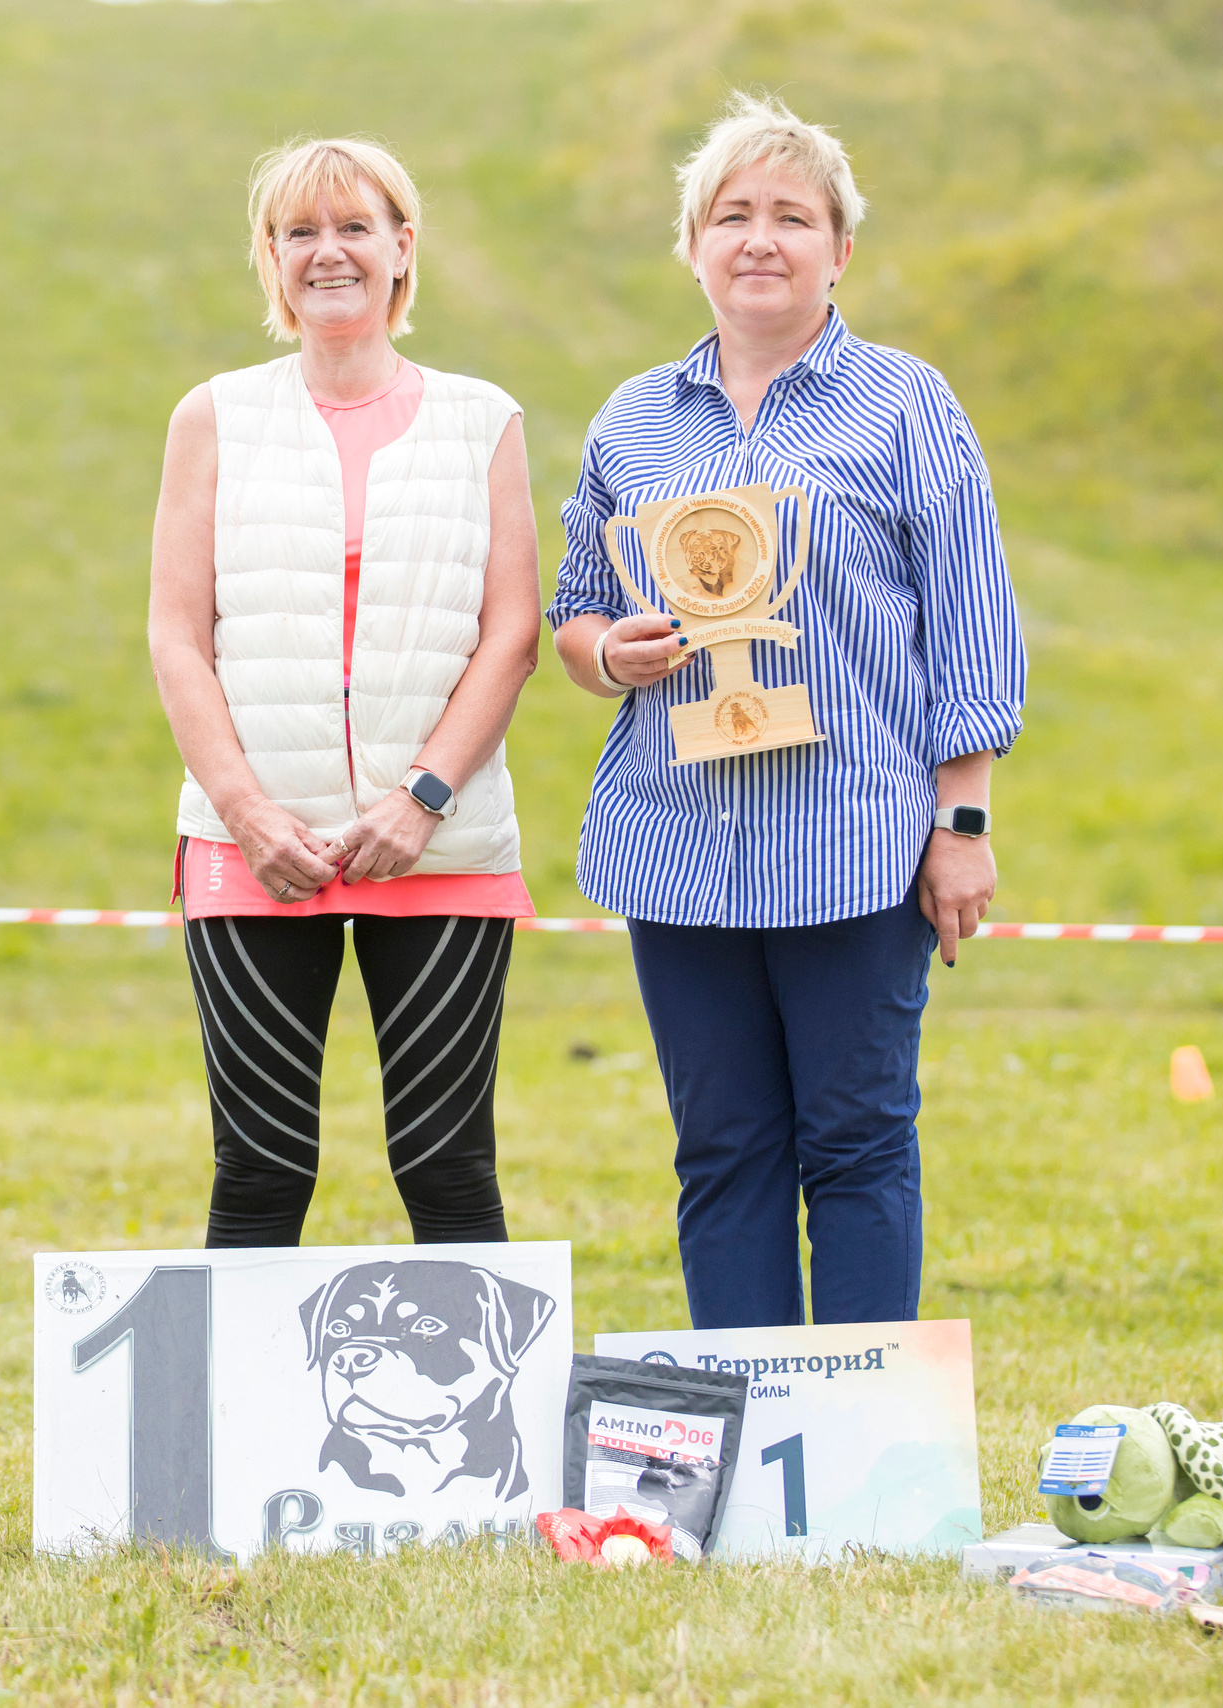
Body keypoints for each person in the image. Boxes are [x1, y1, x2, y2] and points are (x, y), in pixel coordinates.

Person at [545, 94, 1026, 1328]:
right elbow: (575, 616)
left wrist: (959, 823)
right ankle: (750, 1454)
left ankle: (865, 1451)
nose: (761, 238)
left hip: (857, 844)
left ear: (840, 250)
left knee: (858, 1145)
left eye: (792, 217)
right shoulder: (631, 420)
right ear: (694, 244)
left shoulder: (907, 403)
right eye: (733, 214)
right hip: (679, 848)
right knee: (721, 1153)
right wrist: (616, 652)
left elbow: (969, 620)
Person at [149, 137, 541, 1249]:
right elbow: (177, 632)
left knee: (447, 1163)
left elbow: (510, 631)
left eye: (355, 226)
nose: (329, 252)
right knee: (262, 1167)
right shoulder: (213, 416)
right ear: (269, 259)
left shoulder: (483, 419)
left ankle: (488, 1428)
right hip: (252, 852)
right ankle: (234, 1427)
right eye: (299, 232)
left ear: (402, 247)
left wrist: (421, 798)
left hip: (445, 848)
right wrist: (249, 815)